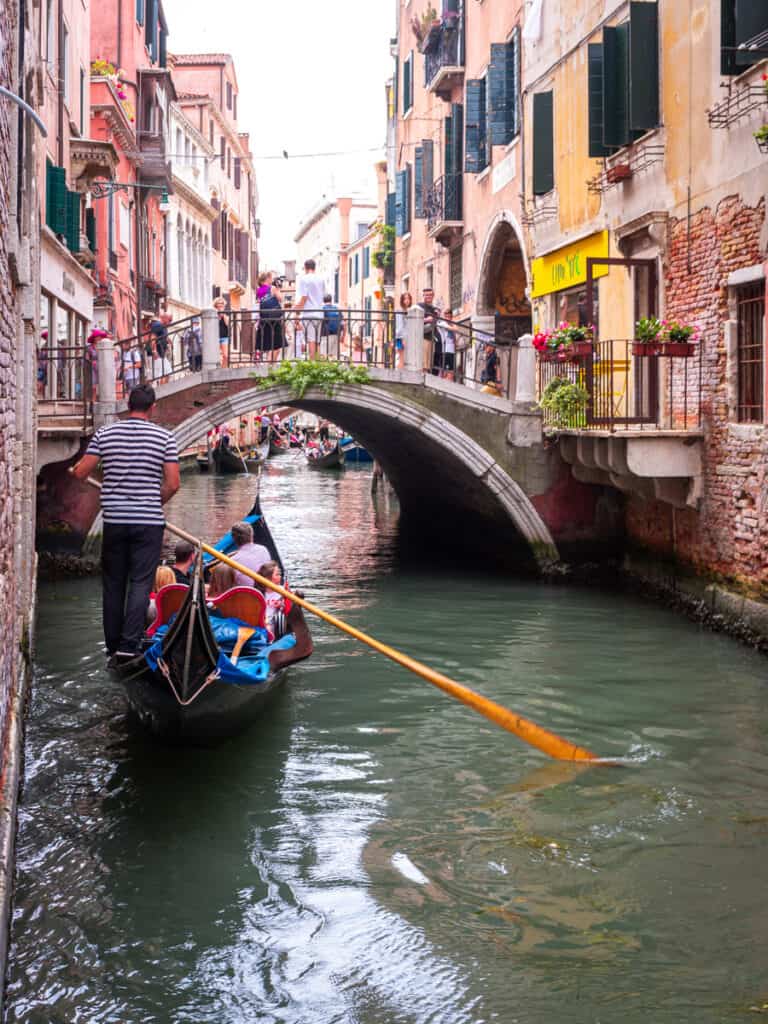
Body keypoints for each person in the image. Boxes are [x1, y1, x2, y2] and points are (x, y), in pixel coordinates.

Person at [71, 384, 180, 658]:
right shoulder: (164, 438)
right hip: (148, 522)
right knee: (141, 583)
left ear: (127, 405)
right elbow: (173, 484)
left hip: (115, 521)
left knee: (114, 583)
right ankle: (130, 646)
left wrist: (76, 471)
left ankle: (113, 645)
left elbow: (82, 472)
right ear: (152, 407)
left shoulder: (105, 434)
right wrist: (154, 503)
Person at [294, 258, 326, 359]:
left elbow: (304, 297)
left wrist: (297, 311)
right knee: (317, 340)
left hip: (309, 314)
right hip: (319, 313)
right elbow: (323, 296)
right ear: (314, 267)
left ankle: (312, 364)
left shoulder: (304, 279)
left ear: (305, 268)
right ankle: (317, 362)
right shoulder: (321, 279)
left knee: (311, 340)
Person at [230, 521, 271, 589]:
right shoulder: (263, 549)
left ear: (234, 539)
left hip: (248, 595)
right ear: (251, 535)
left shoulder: (232, 561)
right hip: (266, 590)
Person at [256, 271, 284, 361]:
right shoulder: (272, 288)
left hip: (264, 319)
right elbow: (281, 298)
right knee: (277, 346)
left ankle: (268, 366)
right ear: (267, 279)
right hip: (274, 319)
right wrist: (278, 289)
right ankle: (271, 365)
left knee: (269, 346)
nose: (272, 280)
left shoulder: (258, 290)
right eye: (271, 278)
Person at [419, 287, 442, 375]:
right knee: (424, 361)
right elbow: (414, 319)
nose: (428, 297)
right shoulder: (419, 306)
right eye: (426, 295)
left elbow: (435, 320)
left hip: (431, 336)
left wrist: (436, 315)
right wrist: (426, 320)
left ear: (433, 296)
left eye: (430, 295)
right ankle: (423, 377)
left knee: (429, 361)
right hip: (423, 336)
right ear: (423, 296)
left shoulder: (433, 309)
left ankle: (427, 376)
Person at [257, 561, 284, 631]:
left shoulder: (283, 591)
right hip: (260, 624)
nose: (280, 576)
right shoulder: (258, 593)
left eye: (280, 574)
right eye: (277, 574)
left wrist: (282, 605)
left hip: (275, 626)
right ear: (267, 579)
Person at [150, 313, 172, 382]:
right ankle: (161, 390)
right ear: (164, 318)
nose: (170, 322)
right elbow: (153, 338)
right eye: (170, 320)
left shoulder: (164, 326)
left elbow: (163, 336)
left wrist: (168, 340)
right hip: (157, 353)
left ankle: (164, 389)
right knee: (161, 374)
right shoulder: (158, 325)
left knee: (167, 371)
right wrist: (154, 351)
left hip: (162, 353)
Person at [321, 293, 342, 359]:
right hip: (337, 334)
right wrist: (343, 335)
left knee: (324, 355)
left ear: (323, 300)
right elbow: (343, 322)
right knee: (334, 356)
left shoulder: (322, 309)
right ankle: (334, 367)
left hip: (326, 334)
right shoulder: (336, 308)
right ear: (331, 300)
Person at [395, 292, 412, 370]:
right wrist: (401, 338)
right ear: (402, 300)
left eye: (408, 298)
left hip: (408, 336)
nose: (407, 300)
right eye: (405, 298)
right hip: (400, 337)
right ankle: (399, 375)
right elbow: (399, 325)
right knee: (401, 356)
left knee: (406, 357)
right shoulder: (399, 311)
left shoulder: (410, 311)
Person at [441, 309, 457, 381]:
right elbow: (452, 328)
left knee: (451, 369)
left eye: (449, 317)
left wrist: (452, 327)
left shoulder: (453, 324)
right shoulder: (442, 323)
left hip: (452, 350)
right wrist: (452, 327)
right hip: (444, 350)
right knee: (443, 370)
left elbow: (456, 329)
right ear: (444, 316)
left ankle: (450, 383)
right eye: (446, 316)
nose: (448, 318)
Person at [214, 297, 229, 367]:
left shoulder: (226, 315)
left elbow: (227, 324)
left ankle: (223, 370)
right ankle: (218, 370)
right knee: (216, 357)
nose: (220, 308)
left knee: (225, 355)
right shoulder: (213, 315)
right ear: (216, 307)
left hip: (224, 337)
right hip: (215, 338)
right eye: (218, 306)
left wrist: (223, 315)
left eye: (222, 306)